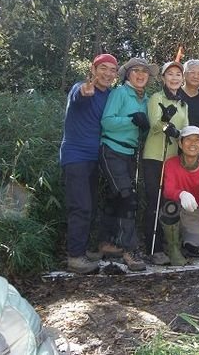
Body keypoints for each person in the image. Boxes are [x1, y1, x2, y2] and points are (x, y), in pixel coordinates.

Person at [61, 53, 118, 274]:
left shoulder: (111, 95)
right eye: (103, 68)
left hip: (96, 158)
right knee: (81, 207)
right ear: (93, 70)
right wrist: (84, 93)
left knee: (91, 205)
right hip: (75, 156)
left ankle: (84, 249)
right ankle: (75, 257)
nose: (107, 73)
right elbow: (79, 95)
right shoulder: (80, 88)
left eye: (112, 70)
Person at [99, 57, 158, 271]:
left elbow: (143, 128)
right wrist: (130, 120)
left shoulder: (147, 99)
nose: (141, 74)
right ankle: (129, 250)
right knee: (127, 197)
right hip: (112, 149)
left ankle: (109, 242)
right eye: (136, 71)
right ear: (128, 74)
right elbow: (107, 121)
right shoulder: (120, 93)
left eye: (145, 71)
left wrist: (142, 125)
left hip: (130, 153)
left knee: (116, 197)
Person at [142, 61, 189, 265]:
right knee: (154, 201)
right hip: (154, 156)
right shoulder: (156, 98)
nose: (174, 78)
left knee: (169, 202)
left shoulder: (183, 103)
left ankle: (171, 246)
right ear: (163, 78)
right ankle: (154, 248)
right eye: (170, 74)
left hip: (172, 159)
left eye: (178, 74)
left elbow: (184, 132)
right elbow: (154, 125)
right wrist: (164, 122)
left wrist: (180, 134)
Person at [162, 126, 199, 261]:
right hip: (174, 210)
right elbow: (168, 190)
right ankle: (172, 246)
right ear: (180, 143)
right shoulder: (171, 163)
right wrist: (181, 194)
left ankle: (185, 238)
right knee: (170, 207)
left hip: (193, 212)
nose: (193, 144)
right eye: (188, 140)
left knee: (197, 249)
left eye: (197, 140)